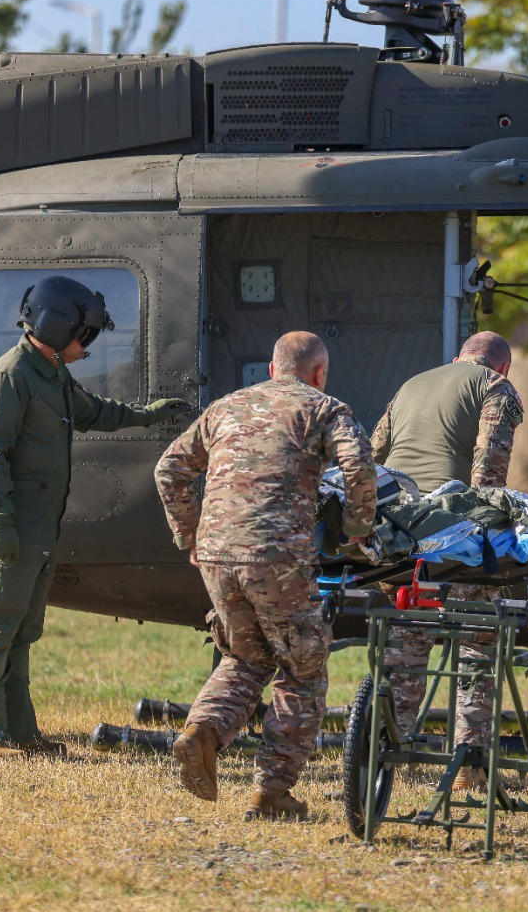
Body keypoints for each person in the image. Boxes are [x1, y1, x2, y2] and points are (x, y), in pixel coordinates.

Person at [0, 275, 188, 759]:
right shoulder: (10, 376)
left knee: (22, 631)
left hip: (37, 526)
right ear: (58, 326)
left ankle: (19, 733)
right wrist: (1, 523)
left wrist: (148, 415)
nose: (87, 344)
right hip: (13, 525)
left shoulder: (48, 372)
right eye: (83, 333)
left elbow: (93, 412)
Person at [155, 331, 377, 820]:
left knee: (245, 656)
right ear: (319, 374)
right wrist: (357, 535)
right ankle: (271, 792)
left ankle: (202, 732)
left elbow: (169, 468)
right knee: (302, 670)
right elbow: (360, 468)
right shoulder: (326, 408)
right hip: (278, 557)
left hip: (217, 556)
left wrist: (190, 537)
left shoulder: (225, 407)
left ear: (272, 369)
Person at [368, 331, 523, 792]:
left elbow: (373, 456)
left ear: (457, 358)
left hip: (396, 532)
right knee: (478, 641)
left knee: (407, 640)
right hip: (448, 534)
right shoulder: (494, 388)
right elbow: (488, 470)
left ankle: (382, 755)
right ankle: (470, 766)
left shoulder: (412, 384)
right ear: (503, 368)